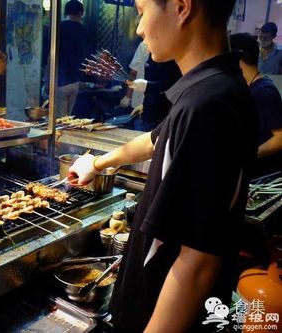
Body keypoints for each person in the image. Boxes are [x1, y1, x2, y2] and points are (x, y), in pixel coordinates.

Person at [69, 0, 258, 332]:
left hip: (157, 311)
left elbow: (196, 263)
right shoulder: (212, 88)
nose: (139, 28)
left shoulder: (207, 106)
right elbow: (154, 141)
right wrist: (97, 163)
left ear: (182, 7)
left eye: (142, 12)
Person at [231, 33, 282, 177]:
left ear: (239, 58)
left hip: (264, 176)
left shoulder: (264, 92)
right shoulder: (249, 87)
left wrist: (247, 155)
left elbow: (280, 138)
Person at [54, 0, 87, 118]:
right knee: (69, 118)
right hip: (75, 82)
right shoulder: (83, 31)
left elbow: (50, 56)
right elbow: (85, 57)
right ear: (80, 13)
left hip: (59, 82)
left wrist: (47, 78)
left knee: (59, 120)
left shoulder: (58, 28)